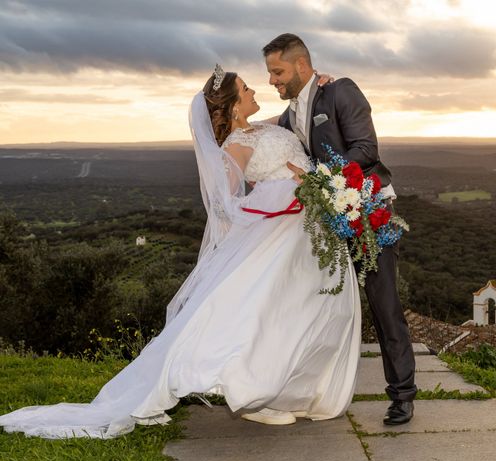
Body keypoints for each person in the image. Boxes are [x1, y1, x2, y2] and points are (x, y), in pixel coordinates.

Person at [0, 66, 361, 439]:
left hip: (310, 223)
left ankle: (295, 390)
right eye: (246, 88)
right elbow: (225, 197)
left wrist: (323, 87)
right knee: (268, 310)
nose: (255, 90)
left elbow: (296, 116)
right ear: (234, 106)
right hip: (282, 225)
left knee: (308, 306)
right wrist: (272, 201)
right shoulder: (237, 142)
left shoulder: (263, 127)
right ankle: (257, 395)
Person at [264, 33, 417, 426]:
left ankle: (402, 395)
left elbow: (366, 150)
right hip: (326, 224)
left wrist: (319, 179)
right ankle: (310, 389)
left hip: (369, 215)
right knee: (320, 305)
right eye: (269, 74)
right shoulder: (286, 117)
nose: (272, 81)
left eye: (277, 71)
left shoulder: (340, 92)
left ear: (301, 66)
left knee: (384, 306)